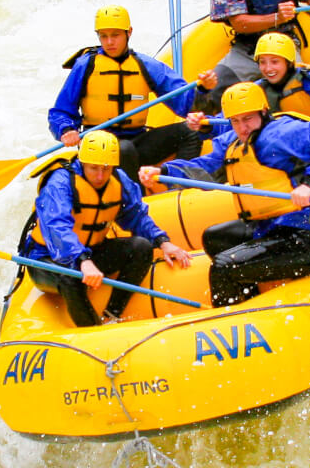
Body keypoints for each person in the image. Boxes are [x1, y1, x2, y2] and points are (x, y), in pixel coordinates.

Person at [139, 82, 310, 308]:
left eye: (248, 118)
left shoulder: (285, 132)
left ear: (263, 112)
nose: (242, 127)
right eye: (236, 121)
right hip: (268, 227)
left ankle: (228, 316)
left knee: (222, 266)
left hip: (303, 235)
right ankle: (249, 297)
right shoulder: (233, 141)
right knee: (214, 237)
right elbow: (205, 164)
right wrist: (164, 171)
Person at [22, 130, 192, 327]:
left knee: (141, 247)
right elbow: (56, 228)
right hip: (47, 259)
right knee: (70, 276)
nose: (100, 175)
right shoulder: (60, 183)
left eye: (106, 168)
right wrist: (82, 260)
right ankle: (92, 330)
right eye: (94, 168)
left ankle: (112, 314)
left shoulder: (118, 180)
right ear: (82, 162)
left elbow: (136, 216)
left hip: (91, 251)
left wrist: (163, 242)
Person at [49, 5, 216, 173]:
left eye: (115, 35)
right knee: (124, 149)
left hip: (138, 139)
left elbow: (185, 104)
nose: (109, 42)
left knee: (190, 133)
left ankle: (181, 185)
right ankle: (135, 196)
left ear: (128, 32)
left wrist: (202, 89)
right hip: (100, 146)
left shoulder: (145, 65)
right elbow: (60, 112)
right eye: (103, 36)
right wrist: (67, 129)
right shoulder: (85, 66)